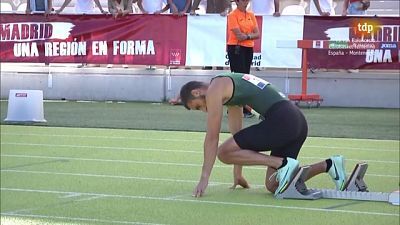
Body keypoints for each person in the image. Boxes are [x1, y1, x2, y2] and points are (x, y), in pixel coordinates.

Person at [179, 72, 347, 197]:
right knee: (273, 184)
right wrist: (238, 174)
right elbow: (237, 137)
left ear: (196, 92)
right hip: (296, 121)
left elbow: (212, 137)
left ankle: (282, 163)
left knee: (222, 152)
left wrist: (204, 178)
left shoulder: (215, 88)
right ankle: (330, 165)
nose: (203, 110)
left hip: (283, 119)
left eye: (198, 106)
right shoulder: (230, 93)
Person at [227, 0, 259, 118]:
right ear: (237, 2)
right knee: (239, 78)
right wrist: (249, 36)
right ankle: (239, 107)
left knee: (246, 77)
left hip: (248, 48)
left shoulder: (251, 15)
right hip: (236, 48)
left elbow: (257, 34)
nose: (246, 3)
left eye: (247, 1)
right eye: (244, 1)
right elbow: (238, 35)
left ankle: (239, 107)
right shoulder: (232, 15)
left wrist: (247, 36)